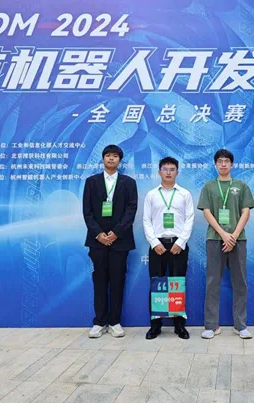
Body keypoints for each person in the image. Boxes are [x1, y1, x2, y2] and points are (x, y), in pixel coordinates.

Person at [198, 148, 254, 339]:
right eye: (220, 161)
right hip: (215, 239)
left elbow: (246, 212)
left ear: (232, 164)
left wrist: (234, 235)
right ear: (215, 164)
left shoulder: (241, 186)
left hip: (238, 239)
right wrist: (223, 234)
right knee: (212, 282)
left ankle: (240, 325)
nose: (223, 164)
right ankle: (211, 326)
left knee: (240, 282)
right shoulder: (208, 186)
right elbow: (207, 212)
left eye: (226, 161)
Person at [82, 144, 138, 338]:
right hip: (97, 241)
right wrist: (99, 234)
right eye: (108, 155)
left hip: (120, 241)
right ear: (103, 159)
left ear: (120, 160)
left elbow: (131, 210)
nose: (111, 158)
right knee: (99, 280)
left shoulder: (128, 182)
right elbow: (87, 211)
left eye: (115, 156)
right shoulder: (91, 182)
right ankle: (99, 322)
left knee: (117, 281)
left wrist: (115, 233)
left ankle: (114, 321)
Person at [143, 157, 195, 340]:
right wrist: (154, 243)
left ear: (177, 172)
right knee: (156, 285)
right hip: (157, 245)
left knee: (177, 286)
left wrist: (181, 242)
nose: (168, 172)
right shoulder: (151, 195)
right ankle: (155, 326)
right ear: (159, 172)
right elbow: (146, 220)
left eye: (172, 169)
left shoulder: (184, 194)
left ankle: (179, 326)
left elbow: (189, 219)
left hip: (178, 245)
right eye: (165, 169)